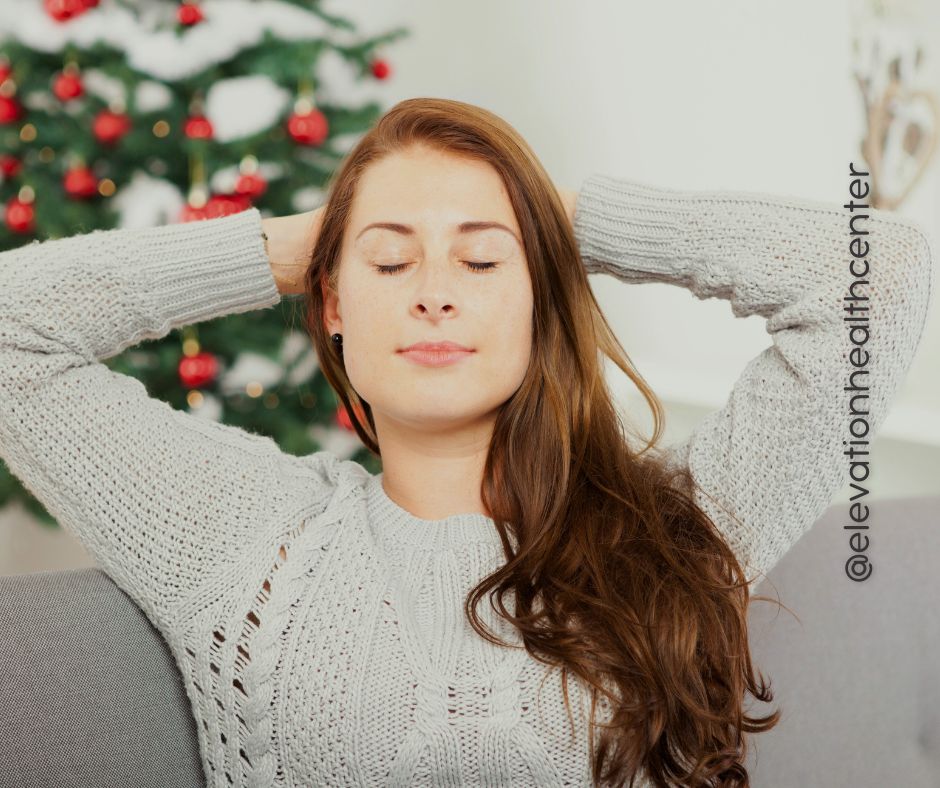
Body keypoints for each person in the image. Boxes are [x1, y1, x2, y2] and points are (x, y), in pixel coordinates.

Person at [0, 96, 932, 787]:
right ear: (331, 305)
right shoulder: (245, 538)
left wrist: (565, 220)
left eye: (484, 260)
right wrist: (293, 247)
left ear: (539, 300)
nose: (434, 290)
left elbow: (881, 274)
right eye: (390, 260)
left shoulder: (682, 525)